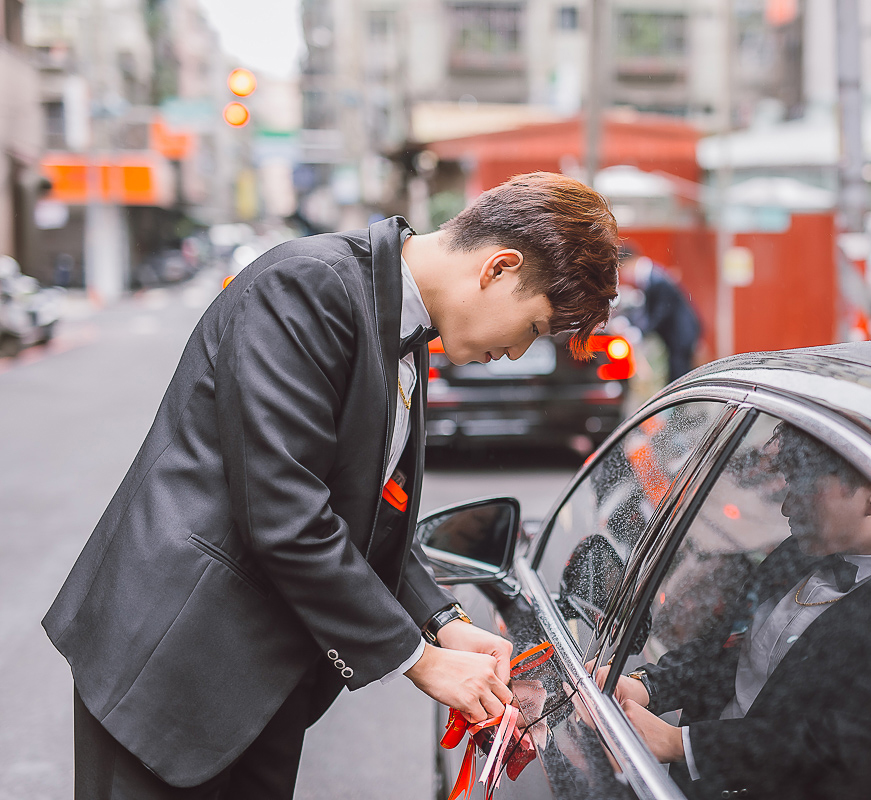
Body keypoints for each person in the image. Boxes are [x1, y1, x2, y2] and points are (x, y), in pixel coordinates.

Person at [43, 172, 620, 798]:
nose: (515, 352)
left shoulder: (402, 322)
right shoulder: (308, 287)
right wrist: (419, 659)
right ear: (499, 268)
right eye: (533, 328)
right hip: (171, 666)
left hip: (260, 684)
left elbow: (367, 517)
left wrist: (442, 619)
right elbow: (285, 514)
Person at [598, 424, 871, 800]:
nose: (786, 507)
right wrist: (648, 686)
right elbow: (726, 651)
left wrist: (682, 743)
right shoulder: (795, 554)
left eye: (804, 487)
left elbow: (840, 744)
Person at [618, 243, 701, 383]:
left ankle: (680, 404)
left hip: (681, 334)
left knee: (679, 376)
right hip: (676, 335)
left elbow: (659, 313)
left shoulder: (656, 279)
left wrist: (640, 332)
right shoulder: (650, 278)